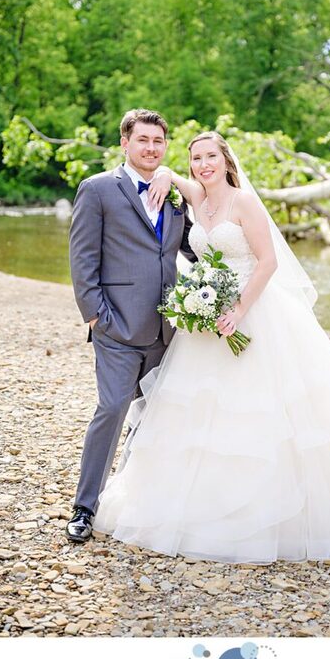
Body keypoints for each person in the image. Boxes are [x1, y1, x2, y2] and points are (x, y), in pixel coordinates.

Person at [92, 131, 330, 563]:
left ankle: (270, 519)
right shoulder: (198, 197)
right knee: (194, 414)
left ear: (226, 159)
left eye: (211, 156)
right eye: (196, 157)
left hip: (252, 311)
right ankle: (193, 509)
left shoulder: (243, 202)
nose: (203, 164)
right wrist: (167, 172)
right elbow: (174, 177)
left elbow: (267, 261)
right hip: (207, 322)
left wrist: (236, 309)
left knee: (261, 411)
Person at [66, 108, 196, 543]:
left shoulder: (174, 194)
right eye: (143, 140)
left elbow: (196, 248)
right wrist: (96, 315)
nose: (151, 148)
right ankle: (86, 506)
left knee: (157, 416)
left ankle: (139, 502)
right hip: (116, 328)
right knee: (113, 409)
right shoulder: (99, 189)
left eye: (158, 142)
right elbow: (83, 260)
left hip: (167, 329)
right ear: (125, 143)